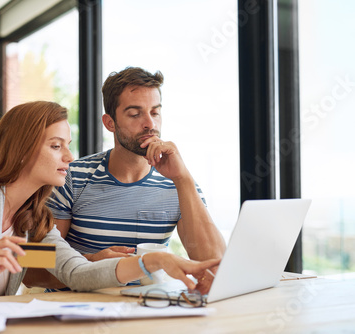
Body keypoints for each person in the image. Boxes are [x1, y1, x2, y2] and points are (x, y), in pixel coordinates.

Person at [0, 101, 220, 305]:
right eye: (56, 146)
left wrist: (156, 260)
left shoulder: (33, 220)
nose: (69, 156)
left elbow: (76, 273)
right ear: (22, 150)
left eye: (68, 145)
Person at [24, 67, 226, 291]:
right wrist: (91, 262)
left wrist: (183, 178)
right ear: (110, 123)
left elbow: (215, 267)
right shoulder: (70, 178)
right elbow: (30, 271)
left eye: (155, 112)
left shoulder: (179, 183)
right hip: (78, 314)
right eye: (135, 114)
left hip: (147, 311)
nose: (150, 124)